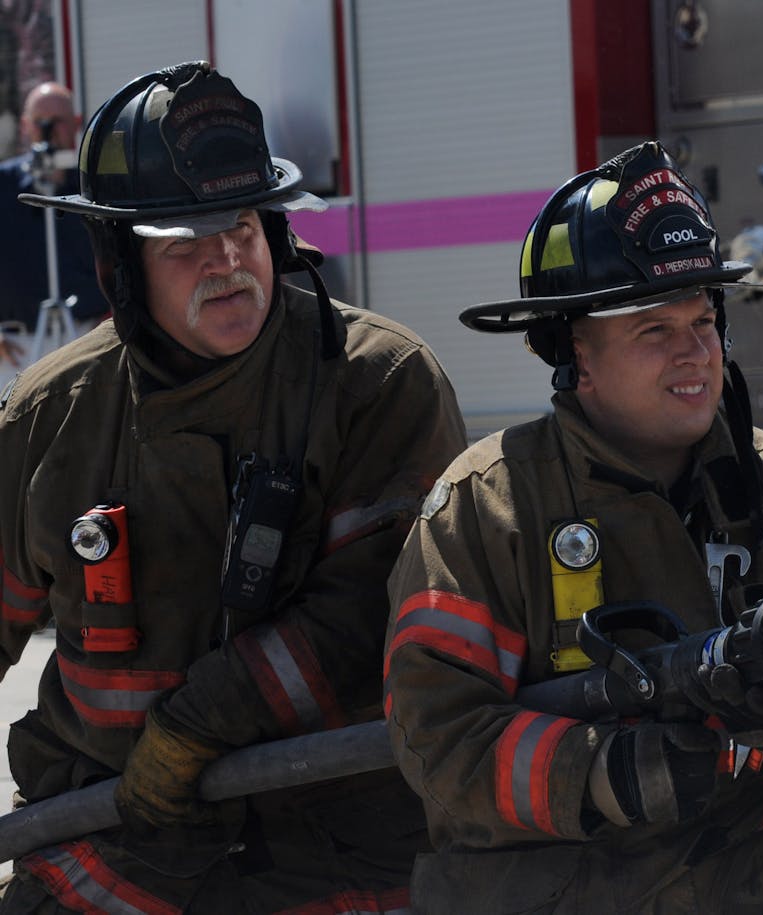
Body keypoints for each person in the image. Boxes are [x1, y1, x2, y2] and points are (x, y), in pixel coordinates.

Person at [383, 141, 763, 913]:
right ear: (577, 351)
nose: (694, 352)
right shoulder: (487, 506)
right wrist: (606, 772)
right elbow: (435, 733)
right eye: (654, 329)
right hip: (561, 876)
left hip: (737, 846)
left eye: (703, 320)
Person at [0, 61, 466, 912]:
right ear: (117, 265)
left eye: (245, 226)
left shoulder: (376, 380)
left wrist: (193, 728)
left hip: (341, 836)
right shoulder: (54, 413)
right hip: (114, 832)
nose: (227, 260)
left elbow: (367, 612)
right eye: (184, 240)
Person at [0, 81, 108, 380]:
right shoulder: (3, 186)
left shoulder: (95, 188)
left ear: (75, 124)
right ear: (24, 126)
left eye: (57, 121)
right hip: (16, 346)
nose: (47, 130)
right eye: (39, 122)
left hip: (85, 335)